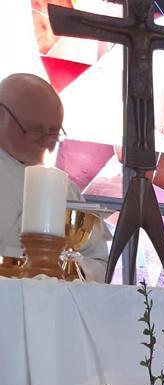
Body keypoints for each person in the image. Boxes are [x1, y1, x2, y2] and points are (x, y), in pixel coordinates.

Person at [0, 73, 108, 280]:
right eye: (34, 130)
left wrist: (66, 266)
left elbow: (99, 263)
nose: (45, 141)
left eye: (53, 132)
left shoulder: (63, 188)